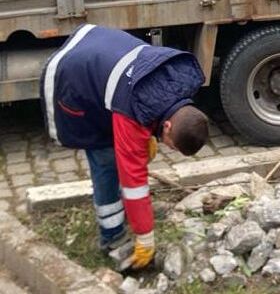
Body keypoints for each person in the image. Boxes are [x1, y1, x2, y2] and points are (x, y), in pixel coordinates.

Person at [40, 24, 209, 269]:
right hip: (74, 77)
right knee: (106, 161)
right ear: (169, 126)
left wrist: (149, 137)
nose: (168, 148)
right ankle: (112, 236)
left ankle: (129, 216)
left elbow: (149, 115)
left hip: (96, 41)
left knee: (119, 154)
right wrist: (146, 237)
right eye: (171, 146)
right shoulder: (131, 112)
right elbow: (134, 183)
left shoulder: (173, 84)